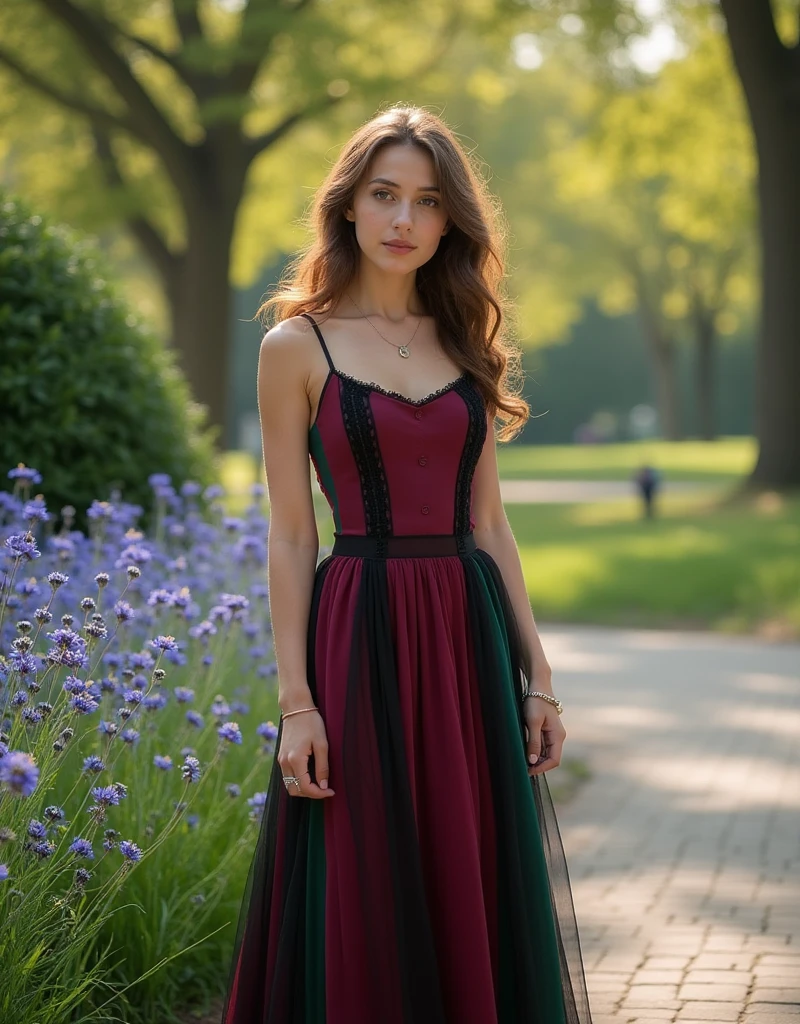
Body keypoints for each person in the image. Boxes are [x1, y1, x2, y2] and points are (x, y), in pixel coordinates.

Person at [222, 103, 594, 1024]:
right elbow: (292, 531)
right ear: (346, 206)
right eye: (384, 195)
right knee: (366, 863)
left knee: (468, 862)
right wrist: (296, 704)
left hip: (466, 636)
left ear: (449, 221)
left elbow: (490, 524)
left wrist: (539, 676)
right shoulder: (293, 347)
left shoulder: (463, 340)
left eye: (427, 202)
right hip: (360, 628)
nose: (403, 220)